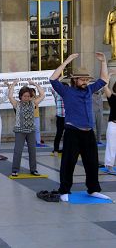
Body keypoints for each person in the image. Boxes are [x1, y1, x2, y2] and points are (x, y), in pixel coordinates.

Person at [50, 52, 111, 202]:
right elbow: (53, 79)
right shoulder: (66, 91)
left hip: (88, 132)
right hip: (73, 131)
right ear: (74, 80)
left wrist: (103, 61)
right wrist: (67, 61)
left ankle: (93, 189)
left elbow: (103, 79)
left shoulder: (89, 90)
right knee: (68, 163)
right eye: (82, 79)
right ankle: (64, 190)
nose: (85, 81)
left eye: (87, 79)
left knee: (92, 162)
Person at [8, 80, 45, 177]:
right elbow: (10, 96)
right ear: (21, 96)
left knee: (32, 151)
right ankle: (15, 170)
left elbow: (42, 95)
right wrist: (14, 84)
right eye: (24, 96)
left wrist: (35, 84)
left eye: (28, 96)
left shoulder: (33, 103)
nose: (26, 98)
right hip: (20, 131)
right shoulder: (17, 104)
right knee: (18, 151)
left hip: (31, 131)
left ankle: (33, 170)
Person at [103, 74, 116, 172]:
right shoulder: (112, 97)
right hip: (113, 125)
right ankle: (109, 165)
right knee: (111, 145)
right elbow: (105, 87)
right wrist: (108, 77)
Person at [52, 83, 68, 156]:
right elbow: (52, 88)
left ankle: (66, 149)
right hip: (60, 118)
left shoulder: (70, 96)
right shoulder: (57, 95)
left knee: (68, 135)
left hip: (68, 118)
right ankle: (56, 149)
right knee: (59, 134)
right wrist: (59, 80)